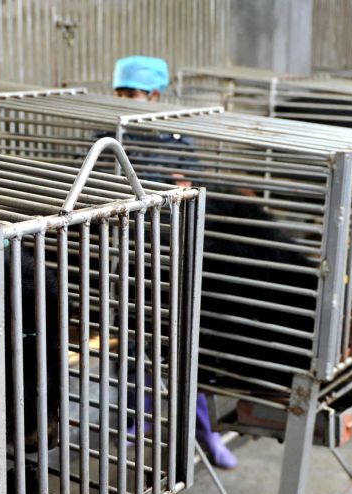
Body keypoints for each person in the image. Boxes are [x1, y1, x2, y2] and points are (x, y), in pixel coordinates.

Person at [112, 56, 238, 470]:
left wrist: (182, 187)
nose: (126, 100)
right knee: (133, 347)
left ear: (155, 95)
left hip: (174, 260)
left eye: (133, 93)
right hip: (126, 260)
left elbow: (195, 192)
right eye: (121, 93)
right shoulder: (107, 136)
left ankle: (205, 432)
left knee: (185, 346)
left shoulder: (179, 139)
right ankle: (138, 420)